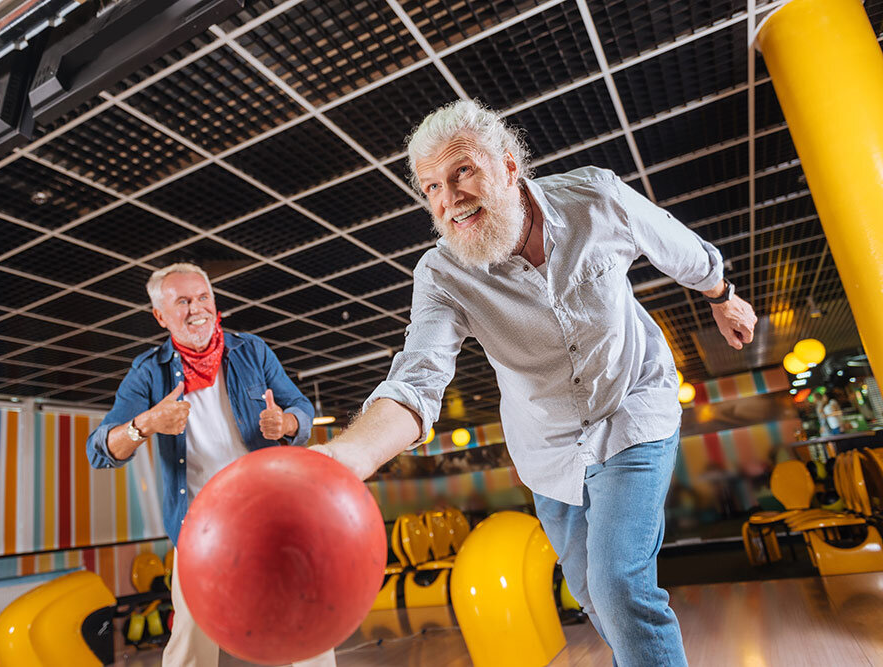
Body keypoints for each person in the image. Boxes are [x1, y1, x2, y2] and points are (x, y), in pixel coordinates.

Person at [311, 100, 757, 666]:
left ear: (508, 166)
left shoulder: (596, 198)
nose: (449, 199)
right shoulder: (441, 274)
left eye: (462, 172)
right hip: (546, 451)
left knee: (619, 586)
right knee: (594, 596)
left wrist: (721, 295)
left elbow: (678, 246)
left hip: (631, 407)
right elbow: (417, 379)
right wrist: (348, 456)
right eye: (432, 188)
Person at [85, 263, 332, 667]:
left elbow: (301, 408)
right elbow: (100, 450)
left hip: (270, 513)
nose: (196, 308)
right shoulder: (148, 371)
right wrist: (146, 423)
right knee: (191, 639)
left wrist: (285, 423)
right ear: (161, 316)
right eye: (182, 301)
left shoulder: (251, 351)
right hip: (200, 527)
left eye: (203, 297)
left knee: (306, 621)